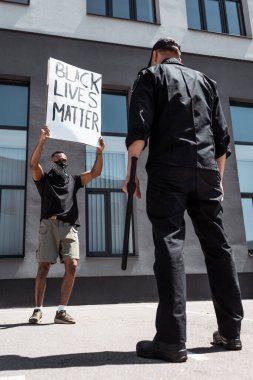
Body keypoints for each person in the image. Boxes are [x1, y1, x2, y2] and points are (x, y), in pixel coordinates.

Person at [123, 38, 244, 363]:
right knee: (218, 247)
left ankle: (171, 340)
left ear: (155, 56)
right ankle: (231, 333)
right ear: (181, 56)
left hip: (168, 170)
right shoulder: (207, 82)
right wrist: (216, 182)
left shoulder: (150, 75)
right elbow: (222, 144)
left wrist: (131, 174)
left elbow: (138, 133)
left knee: (170, 244)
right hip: (206, 171)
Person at [29, 125, 105, 324]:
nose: (62, 161)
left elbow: (95, 172)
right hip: (49, 225)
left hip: (69, 227)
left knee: (72, 265)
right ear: (52, 161)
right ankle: (37, 310)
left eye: (64, 160)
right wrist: (42, 141)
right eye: (58, 159)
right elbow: (33, 164)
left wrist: (99, 152)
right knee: (43, 268)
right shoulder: (43, 179)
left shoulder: (74, 180)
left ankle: (61, 311)